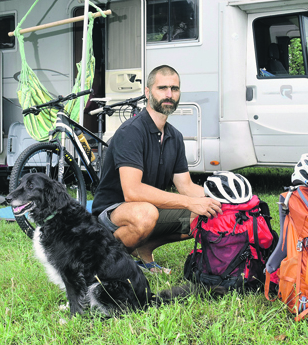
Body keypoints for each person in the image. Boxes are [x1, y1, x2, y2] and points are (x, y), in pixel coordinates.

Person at [91, 65, 222, 274]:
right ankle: (104, 263)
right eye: (162, 88)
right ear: (147, 92)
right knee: (146, 214)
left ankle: (143, 248)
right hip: (113, 213)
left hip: (149, 209)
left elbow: (186, 186)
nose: (169, 95)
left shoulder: (175, 136)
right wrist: (191, 203)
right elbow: (132, 192)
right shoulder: (131, 132)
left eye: (175, 89)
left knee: (205, 213)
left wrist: (222, 199)